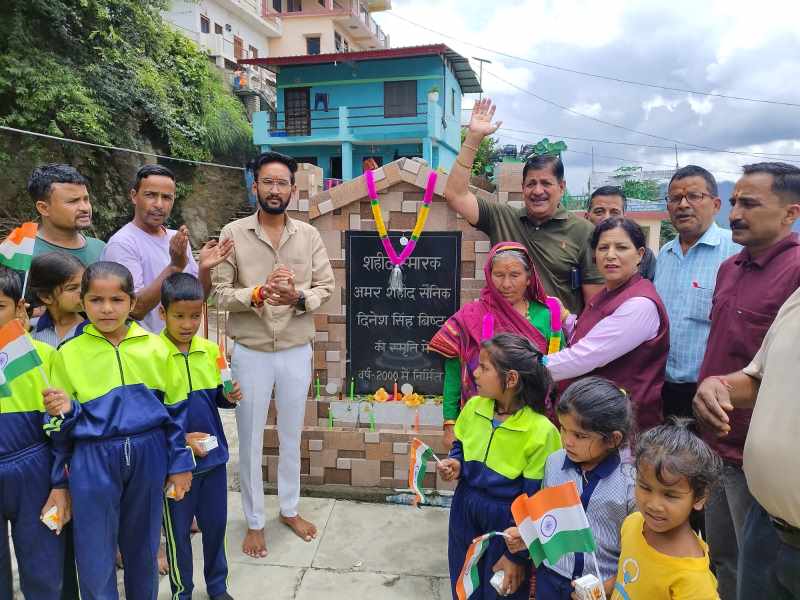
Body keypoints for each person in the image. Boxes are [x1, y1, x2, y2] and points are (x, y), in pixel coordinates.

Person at [42, 261, 195, 600]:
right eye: (96, 300)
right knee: (95, 551)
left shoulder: (156, 347)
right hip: (93, 458)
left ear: (132, 301)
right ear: (83, 302)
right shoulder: (68, 354)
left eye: (117, 300)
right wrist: (59, 479)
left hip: (149, 452)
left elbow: (175, 410)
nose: (107, 309)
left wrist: (180, 462)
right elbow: (55, 425)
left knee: (143, 545)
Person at [212, 151, 335, 558]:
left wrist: (297, 296)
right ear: (255, 186)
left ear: (293, 190)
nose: (275, 189)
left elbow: (325, 287)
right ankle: (254, 521)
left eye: (282, 183)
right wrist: (259, 293)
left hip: (296, 349)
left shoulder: (308, 235)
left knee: (290, 435)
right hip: (252, 351)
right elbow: (218, 292)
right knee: (249, 439)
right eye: (268, 181)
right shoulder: (233, 232)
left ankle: (289, 509)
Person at [695, 161, 800, 600]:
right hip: (713, 443)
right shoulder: (730, 268)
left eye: (750, 203)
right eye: (734, 201)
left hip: (750, 460)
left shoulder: (796, 273)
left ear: (790, 214)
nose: (734, 213)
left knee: (751, 567)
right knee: (722, 556)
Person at [444, 98, 603, 315]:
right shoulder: (502, 217)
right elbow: (455, 195)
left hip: (557, 342)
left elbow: (594, 304)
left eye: (546, 183)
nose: (538, 191)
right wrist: (472, 139)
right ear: (522, 187)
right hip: (505, 341)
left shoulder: (584, 231)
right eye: (531, 184)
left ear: (561, 187)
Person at [437, 333, 562, 599]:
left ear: (511, 379)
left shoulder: (541, 432)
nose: (475, 373)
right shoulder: (473, 408)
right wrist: (456, 463)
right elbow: (461, 444)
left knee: (501, 588)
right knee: (464, 580)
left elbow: (535, 499)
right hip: (465, 507)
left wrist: (517, 554)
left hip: (507, 521)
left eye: (484, 368)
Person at [505, 377, 635, 600]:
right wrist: (527, 535)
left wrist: (610, 586)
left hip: (600, 587)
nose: (567, 441)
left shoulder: (630, 483)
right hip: (551, 578)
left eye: (580, 436)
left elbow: (638, 552)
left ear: (613, 439)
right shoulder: (554, 463)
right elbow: (548, 519)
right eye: (563, 429)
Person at [429, 241, 564, 448]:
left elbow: (559, 373)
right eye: (499, 275)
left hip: (532, 427)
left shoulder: (547, 317)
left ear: (529, 278)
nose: (506, 284)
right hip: (481, 423)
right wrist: (450, 424)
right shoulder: (472, 315)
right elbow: (454, 372)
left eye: (515, 275)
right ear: (489, 276)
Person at [159, 273, 242, 600]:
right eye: (179, 316)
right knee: (178, 533)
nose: (187, 323)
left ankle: (218, 587)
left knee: (216, 527)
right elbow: (153, 414)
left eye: (195, 316)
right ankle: (182, 591)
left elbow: (218, 397)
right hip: (175, 464)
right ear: (162, 314)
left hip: (214, 459)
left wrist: (230, 395)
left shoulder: (211, 350)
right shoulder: (153, 354)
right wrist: (181, 443)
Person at [545, 218, 669, 432]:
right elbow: (593, 333)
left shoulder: (640, 304)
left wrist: (527, 367)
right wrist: (566, 318)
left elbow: (584, 356)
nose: (610, 255)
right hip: (590, 417)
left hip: (618, 425)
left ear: (639, 254)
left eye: (621, 247)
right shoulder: (609, 292)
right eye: (603, 247)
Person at [0, 267, 69, 600]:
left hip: (35, 471)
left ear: (19, 308)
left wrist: (59, 485)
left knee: (43, 569)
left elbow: (61, 433)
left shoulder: (44, 358)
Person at [102, 164, 233, 333]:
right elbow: (135, 308)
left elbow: (197, 298)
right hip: (144, 350)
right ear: (134, 196)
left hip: (178, 346)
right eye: (150, 195)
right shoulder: (122, 244)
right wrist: (174, 267)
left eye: (166, 197)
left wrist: (204, 268)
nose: (159, 204)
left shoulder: (175, 238)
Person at [654, 165, 739, 420]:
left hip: (712, 391)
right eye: (674, 198)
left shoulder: (735, 252)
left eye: (694, 196)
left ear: (715, 204)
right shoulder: (664, 255)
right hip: (662, 387)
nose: (682, 204)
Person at [610, 419, 721, 600]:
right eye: (645, 488)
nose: (654, 504)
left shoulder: (691, 579)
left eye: (670, 495)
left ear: (699, 498)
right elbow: (630, 581)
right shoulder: (633, 524)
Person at [27, 164, 105, 265]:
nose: (85, 208)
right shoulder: (22, 254)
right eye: (73, 201)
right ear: (44, 208)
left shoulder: (101, 248)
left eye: (86, 199)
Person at [585, 186, 656, 281]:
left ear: (624, 217)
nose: (607, 218)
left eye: (614, 212)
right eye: (599, 212)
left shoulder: (644, 255)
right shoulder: (577, 250)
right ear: (587, 217)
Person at [27, 252, 87, 347]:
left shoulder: (97, 329)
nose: (83, 292)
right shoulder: (29, 329)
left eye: (85, 285)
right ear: (46, 297)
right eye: (72, 288)